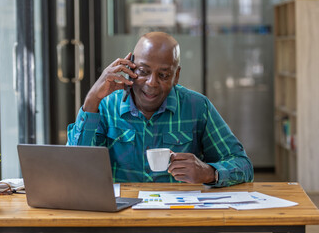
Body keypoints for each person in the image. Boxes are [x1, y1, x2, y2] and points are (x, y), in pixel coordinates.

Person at [67, 32, 253, 187]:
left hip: (179, 219)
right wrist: (92, 99)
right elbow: (73, 169)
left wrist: (210, 172)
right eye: (143, 71)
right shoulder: (106, 106)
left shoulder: (197, 107)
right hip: (123, 220)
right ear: (129, 66)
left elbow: (243, 165)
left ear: (176, 75)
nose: (152, 83)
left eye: (163, 75)